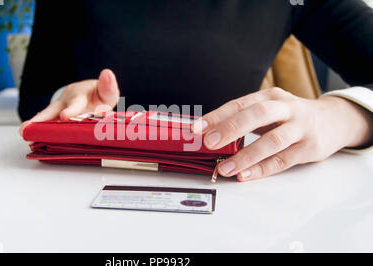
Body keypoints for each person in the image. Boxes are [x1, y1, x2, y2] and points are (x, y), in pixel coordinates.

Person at [18, 0, 373, 181]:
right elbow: (34, 97)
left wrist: (343, 115)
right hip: (78, 191)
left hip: (232, 195)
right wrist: (69, 100)